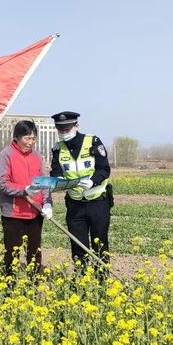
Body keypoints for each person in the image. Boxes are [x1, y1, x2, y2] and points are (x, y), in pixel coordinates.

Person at [49, 111, 112, 273]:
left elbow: (104, 169)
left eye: (66, 129)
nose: (63, 133)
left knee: (100, 244)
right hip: (75, 205)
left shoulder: (92, 141)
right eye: (60, 129)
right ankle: (81, 280)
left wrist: (93, 181)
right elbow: (55, 172)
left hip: (98, 202)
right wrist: (57, 181)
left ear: (76, 126)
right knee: (78, 246)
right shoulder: (57, 149)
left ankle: (101, 281)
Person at [0, 120, 52, 277]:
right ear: (17, 137)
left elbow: (45, 182)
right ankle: (9, 286)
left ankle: (33, 285)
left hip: (35, 212)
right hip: (13, 214)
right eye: (27, 138)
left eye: (33, 139)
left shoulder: (37, 157)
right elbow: (3, 184)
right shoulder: (5, 155)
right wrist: (23, 190)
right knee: (12, 254)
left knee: (35, 253)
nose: (30, 142)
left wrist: (47, 203)